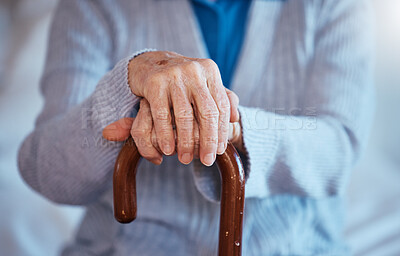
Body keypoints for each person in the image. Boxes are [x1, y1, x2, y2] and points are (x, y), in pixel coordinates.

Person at [18, 0, 374, 255]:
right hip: (124, 246)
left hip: (292, 245)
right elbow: (43, 169)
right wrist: (125, 87)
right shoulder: (92, 7)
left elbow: (337, 148)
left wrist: (232, 126)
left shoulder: (335, 5)